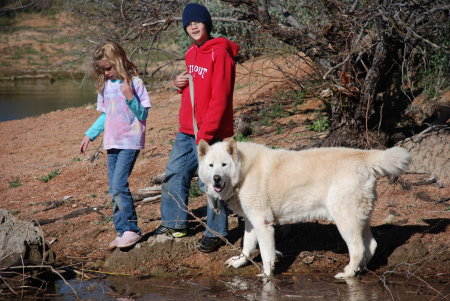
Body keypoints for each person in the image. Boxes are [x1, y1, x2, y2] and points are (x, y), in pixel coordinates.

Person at [153, 3, 239, 253]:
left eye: (198, 22)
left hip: (212, 133)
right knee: (174, 173)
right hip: (187, 130)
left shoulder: (220, 52)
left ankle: (217, 232)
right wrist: (179, 83)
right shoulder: (191, 53)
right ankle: (174, 224)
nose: (193, 26)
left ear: (207, 24)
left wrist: (206, 134)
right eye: (188, 23)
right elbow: (196, 87)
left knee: (213, 182)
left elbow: (220, 97)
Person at [80, 41, 151, 250]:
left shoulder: (135, 83)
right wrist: (89, 135)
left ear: (119, 61)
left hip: (130, 141)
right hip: (112, 142)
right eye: (102, 69)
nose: (106, 72)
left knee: (119, 185)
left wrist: (130, 97)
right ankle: (121, 231)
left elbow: (143, 113)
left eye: (109, 68)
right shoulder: (105, 86)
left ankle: (132, 230)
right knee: (114, 189)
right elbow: (105, 115)